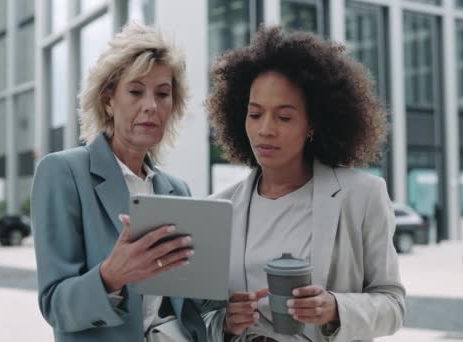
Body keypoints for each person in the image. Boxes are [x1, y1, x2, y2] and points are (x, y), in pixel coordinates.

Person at [203, 26, 406, 341]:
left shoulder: (362, 196)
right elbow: (198, 315)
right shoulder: (219, 208)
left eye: (284, 117)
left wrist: (335, 308)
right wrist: (227, 323)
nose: (265, 130)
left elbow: (392, 304)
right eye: (255, 114)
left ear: (312, 124)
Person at [31, 23, 206, 342]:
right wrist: (110, 276)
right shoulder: (62, 173)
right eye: (136, 91)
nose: (151, 106)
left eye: (162, 94)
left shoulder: (176, 189)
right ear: (109, 100)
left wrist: (228, 313)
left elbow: (186, 305)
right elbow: (54, 304)